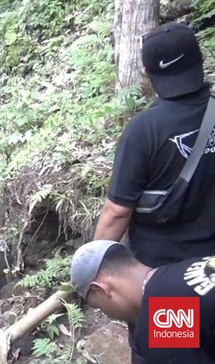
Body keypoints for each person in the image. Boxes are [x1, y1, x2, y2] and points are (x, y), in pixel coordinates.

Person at [92, 22, 213, 363]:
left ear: (146, 73)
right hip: (211, 274)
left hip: (168, 281)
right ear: (199, 59)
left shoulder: (144, 131)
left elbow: (117, 212)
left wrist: (94, 265)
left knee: (168, 354)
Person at [70, 240, 215, 363]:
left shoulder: (161, 318)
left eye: (98, 306)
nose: (106, 314)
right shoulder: (188, 265)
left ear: (100, 289)